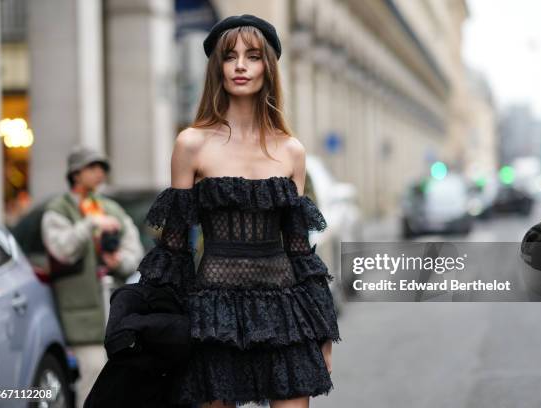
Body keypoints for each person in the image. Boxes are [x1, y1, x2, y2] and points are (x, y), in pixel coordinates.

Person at [122, 14, 341, 407]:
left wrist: (322, 331)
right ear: (217, 67)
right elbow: (174, 248)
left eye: (253, 56)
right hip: (214, 312)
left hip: (285, 313)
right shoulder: (191, 144)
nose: (241, 65)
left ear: (268, 67)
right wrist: (157, 323)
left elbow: (299, 250)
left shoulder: (291, 150)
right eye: (231, 56)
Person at [41, 145, 144, 407]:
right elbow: (61, 249)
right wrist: (90, 225)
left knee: (120, 380)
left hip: (117, 312)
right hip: (81, 315)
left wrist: (119, 260)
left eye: (103, 168)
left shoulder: (111, 208)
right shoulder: (59, 209)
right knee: (93, 376)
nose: (100, 173)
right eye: (92, 167)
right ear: (75, 173)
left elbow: (135, 251)